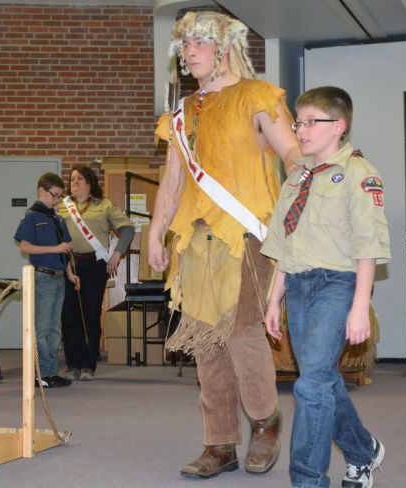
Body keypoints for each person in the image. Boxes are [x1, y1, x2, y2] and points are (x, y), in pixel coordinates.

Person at [147, 10, 302, 479]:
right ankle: (219, 443)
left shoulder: (258, 96)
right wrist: (156, 234)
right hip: (194, 243)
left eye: (198, 43)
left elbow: (291, 153)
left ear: (224, 47)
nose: (188, 52)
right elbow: (172, 182)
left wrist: (309, 172)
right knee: (205, 344)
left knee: (240, 332)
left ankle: (265, 422)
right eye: (184, 45)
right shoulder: (179, 116)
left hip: (247, 235)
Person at [261, 86, 390, 488]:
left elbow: (367, 248)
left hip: (338, 284)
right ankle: (362, 451)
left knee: (311, 385)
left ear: (339, 126)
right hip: (298, 287)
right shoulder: (297, 177)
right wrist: (272, 299)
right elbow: (285, 244)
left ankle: (308, 480)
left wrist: (359, 306)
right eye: (298, 122)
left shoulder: (359, 173)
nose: (300, 130)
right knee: (322, 379)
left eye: (310, 122)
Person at [55, 166, 134, 381]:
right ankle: (73, 365)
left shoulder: (105, 205)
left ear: (90, 183)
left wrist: (118, 254)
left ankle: (89, 365)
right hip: (69, 265)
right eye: (72, 179)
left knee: (90, 315)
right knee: (69, 316)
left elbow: (127, 228)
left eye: (80, 179)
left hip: (94, 266)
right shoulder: (61, 207)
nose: (75, 183)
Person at [14, 172, 80, 388]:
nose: (57, 200)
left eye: (60, 196)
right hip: (42, 277)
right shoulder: (32, 216)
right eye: (55, 195)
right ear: (41, 190)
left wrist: (70, 274)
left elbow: (66, 249)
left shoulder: (57, 218)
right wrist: (55, 248)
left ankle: (50, 373)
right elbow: (25, 247)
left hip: (59, 278)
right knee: (41, 329)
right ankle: (38, 373)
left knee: (54, 329)